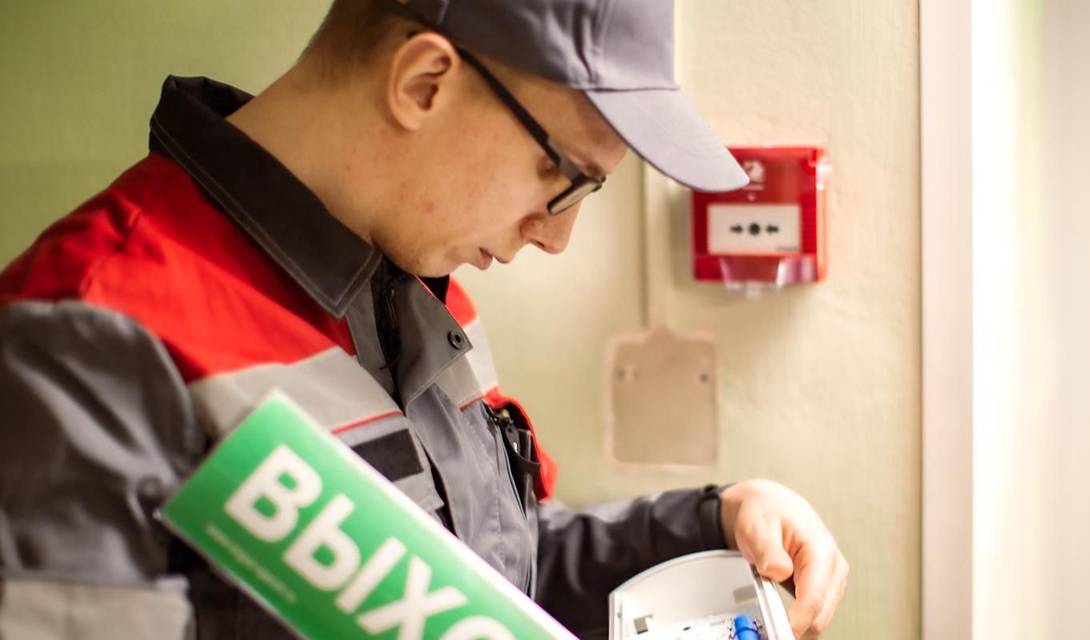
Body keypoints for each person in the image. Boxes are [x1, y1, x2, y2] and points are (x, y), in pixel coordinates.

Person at [0, 0, 848, 638]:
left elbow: (487, 577)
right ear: (424, 84)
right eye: (563, 180)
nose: (556, 237)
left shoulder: (421, 289)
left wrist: (710, 521)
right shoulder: (85, 340)